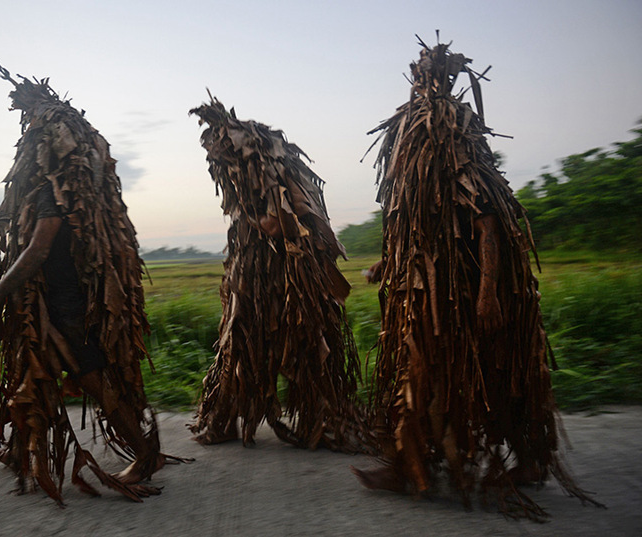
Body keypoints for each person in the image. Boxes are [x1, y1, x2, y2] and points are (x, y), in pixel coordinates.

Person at [352, 41, 602, 519]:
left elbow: (487, 223)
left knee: (494, 377)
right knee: (420, 375)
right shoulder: (413, 149)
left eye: (431, 73)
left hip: (468, 290)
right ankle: (409, 464)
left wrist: (487, 293)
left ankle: (526, 460)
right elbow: (411, 223)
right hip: (428, 294)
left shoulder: (459, 144)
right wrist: (389, 264)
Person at [0, 68, 168, 505]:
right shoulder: (65, 182)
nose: (27, 138)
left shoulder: (53, 189)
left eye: (32, 130)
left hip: (65, 298)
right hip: (52, 296)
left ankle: (144, 455)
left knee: (89, 375)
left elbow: (40, 247)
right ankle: (20, 452)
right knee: (34, 367)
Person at [187, 96, 367, 452]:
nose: (219, 164)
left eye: (221, 156)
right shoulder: (275, 169)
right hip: (265, 276)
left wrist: (245, 217)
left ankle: (328, 420)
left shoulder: (265, 174)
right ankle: (229, 419)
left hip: (283, 278)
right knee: (245, 345)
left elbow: (275, 224)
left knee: (278, 346)